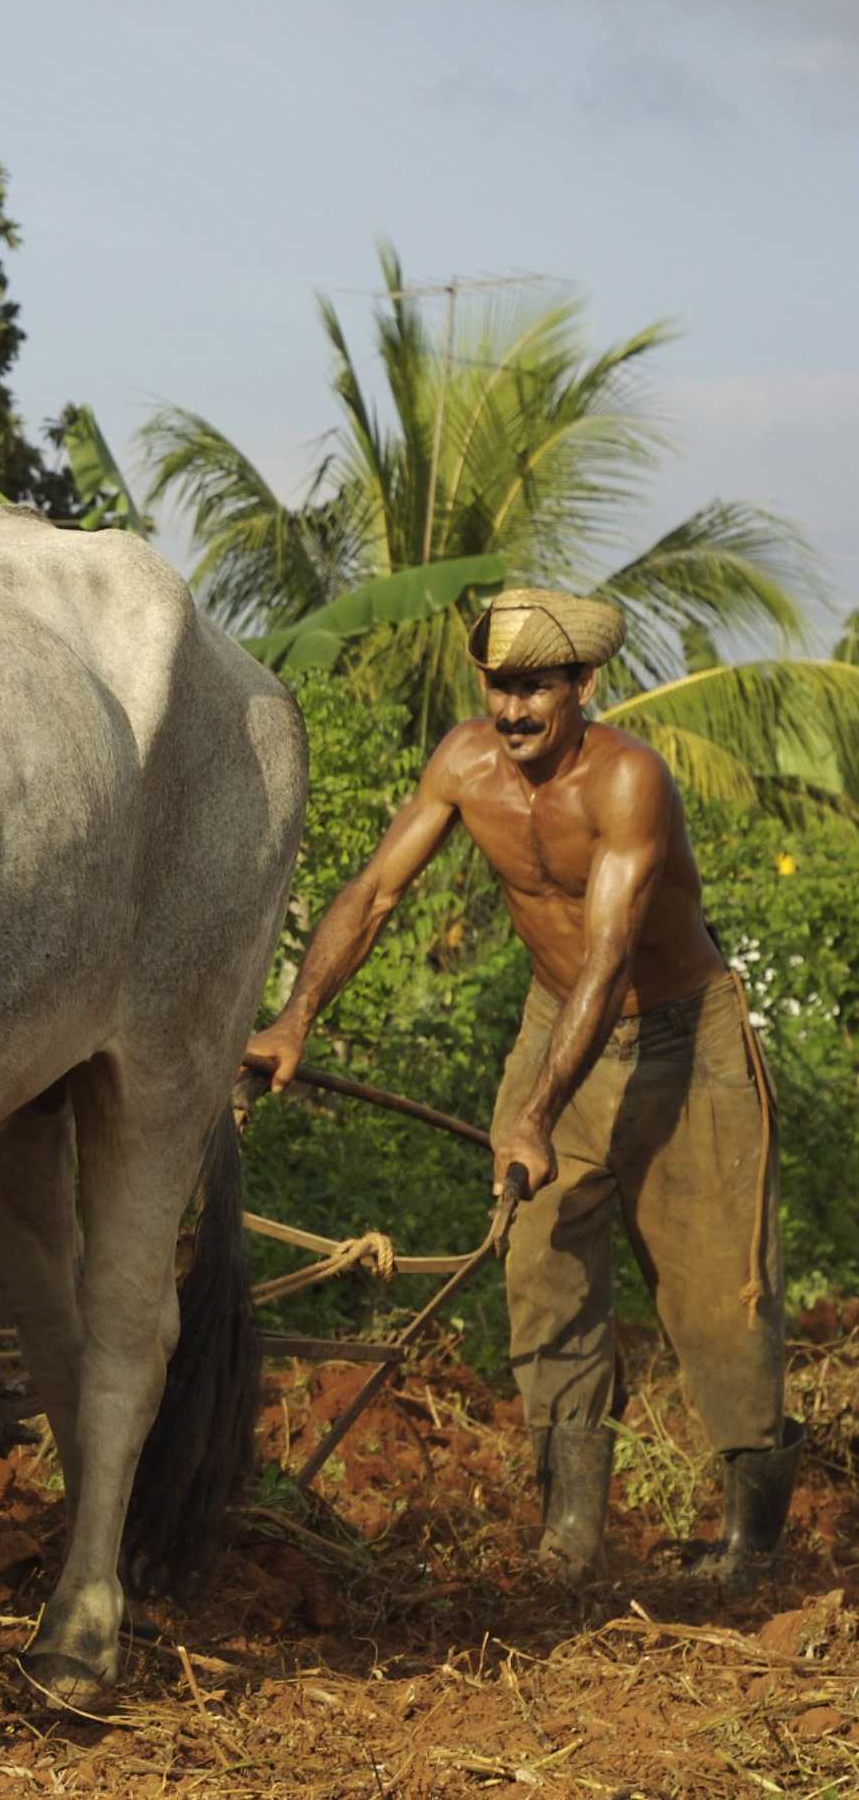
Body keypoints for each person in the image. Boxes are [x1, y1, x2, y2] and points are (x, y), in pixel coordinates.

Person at [246, 587, 800, 1592]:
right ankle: (571, 1539)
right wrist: (295, 1018)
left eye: (533, 691)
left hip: (681, 1037)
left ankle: (750, 1556)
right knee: (541, 1274)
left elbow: (608, 956)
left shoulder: (629, 783)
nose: (511, 714)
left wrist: (537, 1114)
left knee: (720, 1299)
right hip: (556, 1025)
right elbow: (374, 893)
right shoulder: (462, 765)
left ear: (582, 686)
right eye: (498, 690)